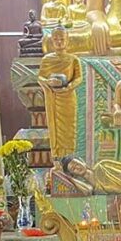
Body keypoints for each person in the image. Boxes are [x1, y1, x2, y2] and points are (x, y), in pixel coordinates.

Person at [37, 25, 83, 159]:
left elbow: (79, 78)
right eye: (55, 39)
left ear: (67, 40)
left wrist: (68, 87)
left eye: (62, 39)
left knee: (69, 128)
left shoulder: (73, 59)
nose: (59, 42)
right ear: (51, 41)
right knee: (55, 128)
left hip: (68, 97)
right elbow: (40, 77)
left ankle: (69, 158)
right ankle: (56, 157)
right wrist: (47, 83)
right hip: (53, 96)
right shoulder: (47, 59)